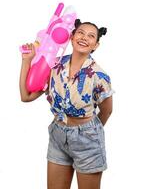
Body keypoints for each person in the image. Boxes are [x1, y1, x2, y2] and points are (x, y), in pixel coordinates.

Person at [19, 18, 114, 189]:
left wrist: (88, 132)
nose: (84, 37)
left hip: (88, 140)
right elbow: (26, 96)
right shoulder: (53, 65)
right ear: (72, 37)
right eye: (81, 33)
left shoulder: (99, 76)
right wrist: (27, 60)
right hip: (58, 134)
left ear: (96, 45)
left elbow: (106, 111)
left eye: (91, 36)